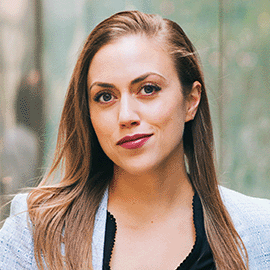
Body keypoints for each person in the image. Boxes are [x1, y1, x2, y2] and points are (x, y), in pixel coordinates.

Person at [0, 10, 269, 270]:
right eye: (106, 96)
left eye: (148, 89)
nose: (126, 116)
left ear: (191, 100)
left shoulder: (261, 232)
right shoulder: (34, 232)